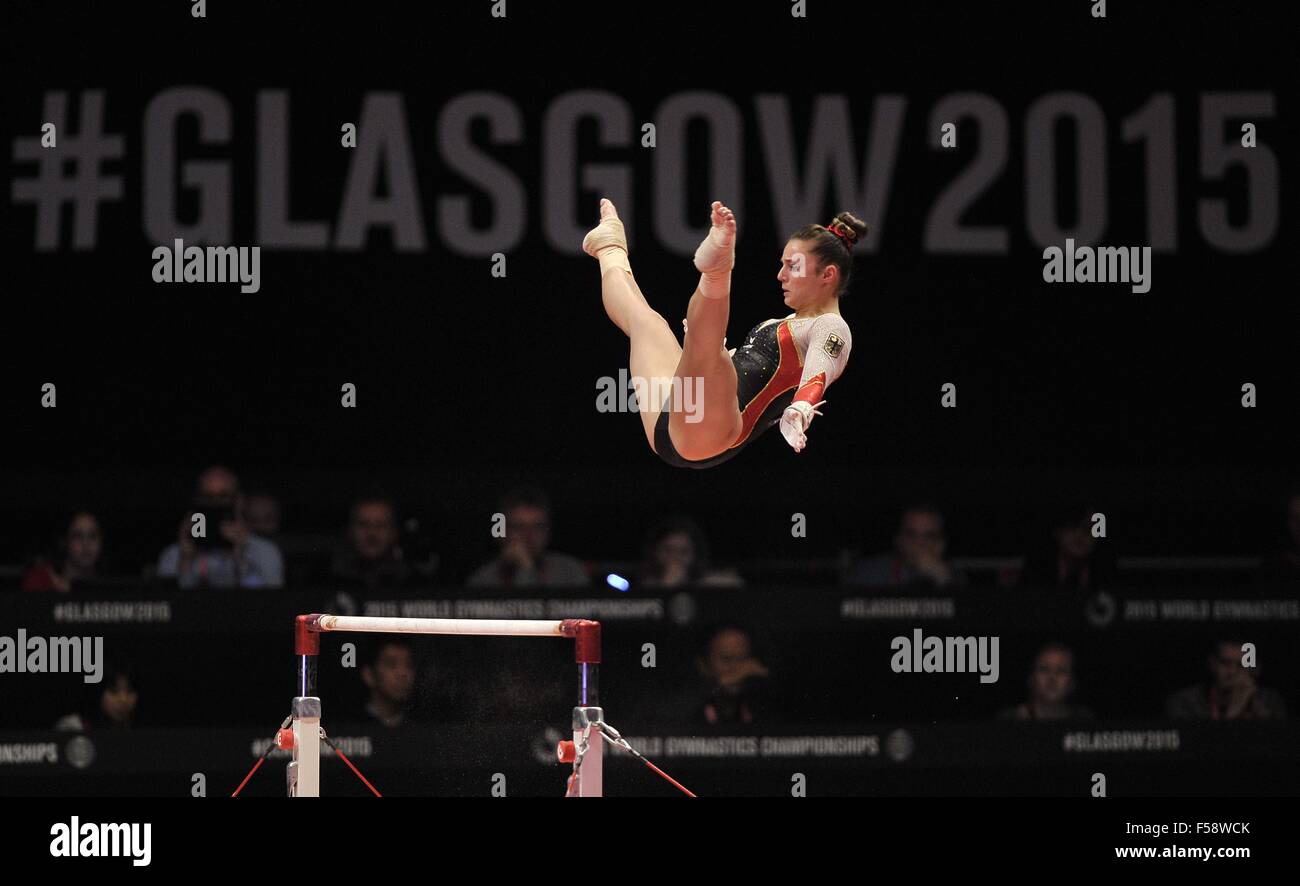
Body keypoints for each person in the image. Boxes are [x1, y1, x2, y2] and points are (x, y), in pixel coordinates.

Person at [583, 198, 861, 468]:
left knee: (710, 351)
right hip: (672, 423)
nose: (781, 275)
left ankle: (716, 274)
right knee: (646, 323)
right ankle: (610, 246)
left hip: (712, 429)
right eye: (782, 264)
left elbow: (820, 370)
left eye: (793, 266)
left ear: (827, 275)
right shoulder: (784, 322)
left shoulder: (830, 326)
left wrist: (801, 407)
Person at [156, 465, 284, 588]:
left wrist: (241, 558)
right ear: (196, 500)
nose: (215, 505)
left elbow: (267, 604)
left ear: (239, 501)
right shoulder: (174, 554)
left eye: (224, 496)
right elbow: (172, 605)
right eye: (207, 497)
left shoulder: (266, 552)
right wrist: (186, 559)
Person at [467, 485, 588, 586]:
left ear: (548, 532)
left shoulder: (570, 573)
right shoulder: (483, 579)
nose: (528, 536)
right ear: (501, 532)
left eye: (537, 527)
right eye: (519, 528)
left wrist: (526, 567)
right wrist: (525, 569)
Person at [845, 504, 967, 588]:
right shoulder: (868, 573)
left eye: (929, 536)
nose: (920, 543)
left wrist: (944, 580)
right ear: (898, 540)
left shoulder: (953, 576)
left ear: (941, 544)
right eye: (911, 535)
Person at [1165, 638, 1287, 720]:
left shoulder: (1271, 700)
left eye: (1241, 665)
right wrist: (1234, 710)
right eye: (1225, 663)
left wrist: (1255, 705)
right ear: (1212, 664)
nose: (1232, 672)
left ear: (1255, 669)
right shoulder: (1184, 702)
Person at [324, 495, 412, 590]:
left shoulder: (413, 581)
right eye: (363, 525)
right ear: (350, 531)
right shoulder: (325, 581)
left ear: (394, 533)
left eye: (380, 526)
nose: (371, 533)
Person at [1018, 507, 1116, 590]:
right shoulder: (1037, 568)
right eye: (1072, 527)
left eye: (1089, 528)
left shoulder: (1106, 571)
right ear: (1057, 533)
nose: (1080, 534)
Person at [998, 643, 1094, 720]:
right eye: (1044, 669)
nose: (1052, 678)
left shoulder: (1085, 720)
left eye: (1061, 671)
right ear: (1031, 678)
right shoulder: (1009, 719)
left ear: (1072, 682)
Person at [639, 516, 743, 587]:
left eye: (683, 552)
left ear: (695, 554)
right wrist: (668, 585)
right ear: (655, 552)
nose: (675, 558)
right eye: (668, 550)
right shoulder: (645, 585)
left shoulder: (706, 581)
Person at [22, 511, 105, 592]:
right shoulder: (40, 580)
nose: (86, 544)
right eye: (77, 536)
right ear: (64, 542)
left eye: (92, 536)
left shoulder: (108, 585)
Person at [359, 639, 417, 728]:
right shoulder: (347, 723)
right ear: (369, 675)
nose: (403, 673)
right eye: (391, 664)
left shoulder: (422, 725)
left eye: (409, 665)